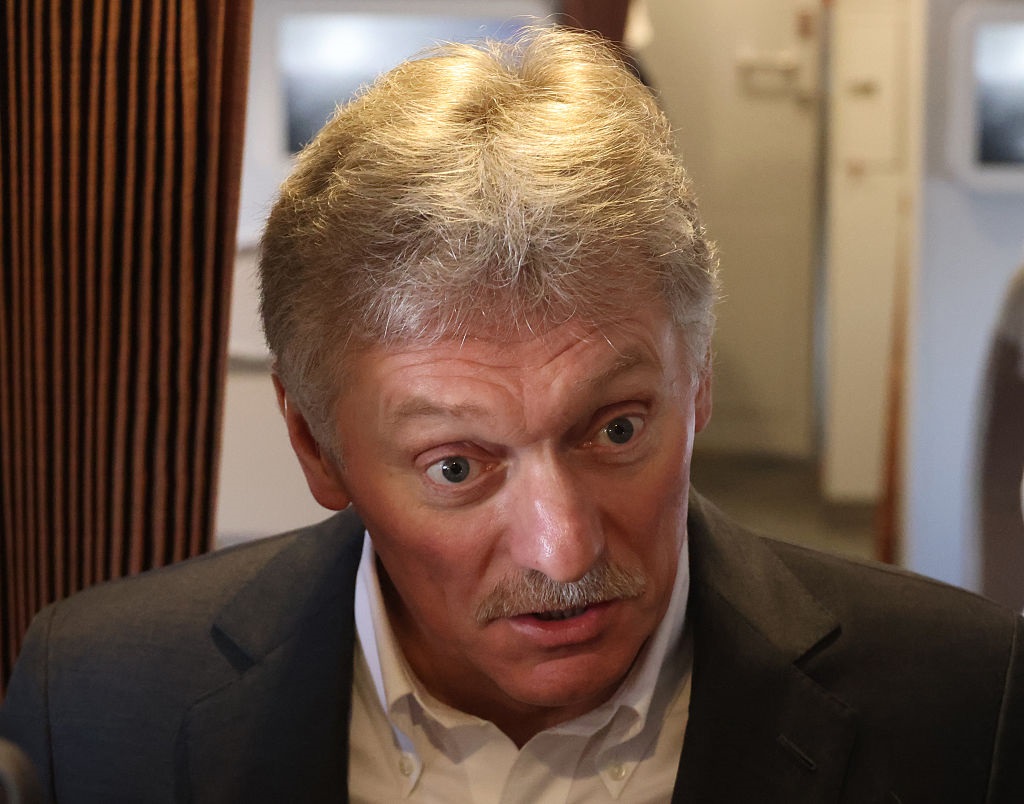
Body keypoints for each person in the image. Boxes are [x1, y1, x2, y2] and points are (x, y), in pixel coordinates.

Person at [2, 26, 1023, 803]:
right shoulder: (97, 704)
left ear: (699, 380)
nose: (563, 548)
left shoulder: (963, 700)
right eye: (457, 466)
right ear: (317, 447)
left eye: (616, 430)